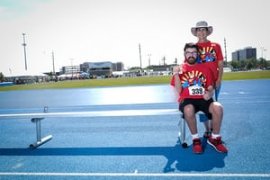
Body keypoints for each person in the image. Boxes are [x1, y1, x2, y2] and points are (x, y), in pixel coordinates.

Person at [171, 43, 228, 154]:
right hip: (187, 100)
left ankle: (215, 138)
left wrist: (210, 93)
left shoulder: (205, 68)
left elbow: (210, 87)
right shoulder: (180, 69)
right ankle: (196, 140)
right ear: (184, 54)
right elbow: (178, 90)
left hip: (203, 98)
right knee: (188, 109)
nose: (191, 55)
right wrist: (176, 74)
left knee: (218, 107)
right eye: (188, 52)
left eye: (193, 52)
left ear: (197, 54)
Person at [191, 21, 224, 138]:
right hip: (200, 83)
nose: (201, 32)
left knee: (214, 106)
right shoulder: (193, 48)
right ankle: (207, 130)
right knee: (202, 107)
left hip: (214, 81)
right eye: (198, 30)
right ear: (196, 33)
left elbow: (220, 64)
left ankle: (214, 131)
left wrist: (219, 79)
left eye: (203, 29)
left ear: (207, 32)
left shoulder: (216, 46)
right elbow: (190, 64)